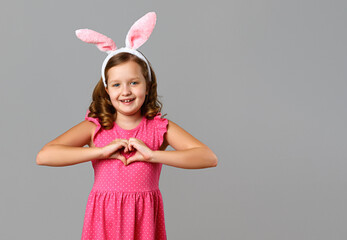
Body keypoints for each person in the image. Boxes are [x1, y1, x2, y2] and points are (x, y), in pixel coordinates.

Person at [36, 12, 218, 240]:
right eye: (116, 84)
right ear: (107, 90)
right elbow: (44, 156)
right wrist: (101, 151)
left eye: (134, 82)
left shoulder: (158, 127)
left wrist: (152, 155)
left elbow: (208, 157)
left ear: (147, 85)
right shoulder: (96, 127)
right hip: (103, 222)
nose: (126, 91)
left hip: (143, 223)